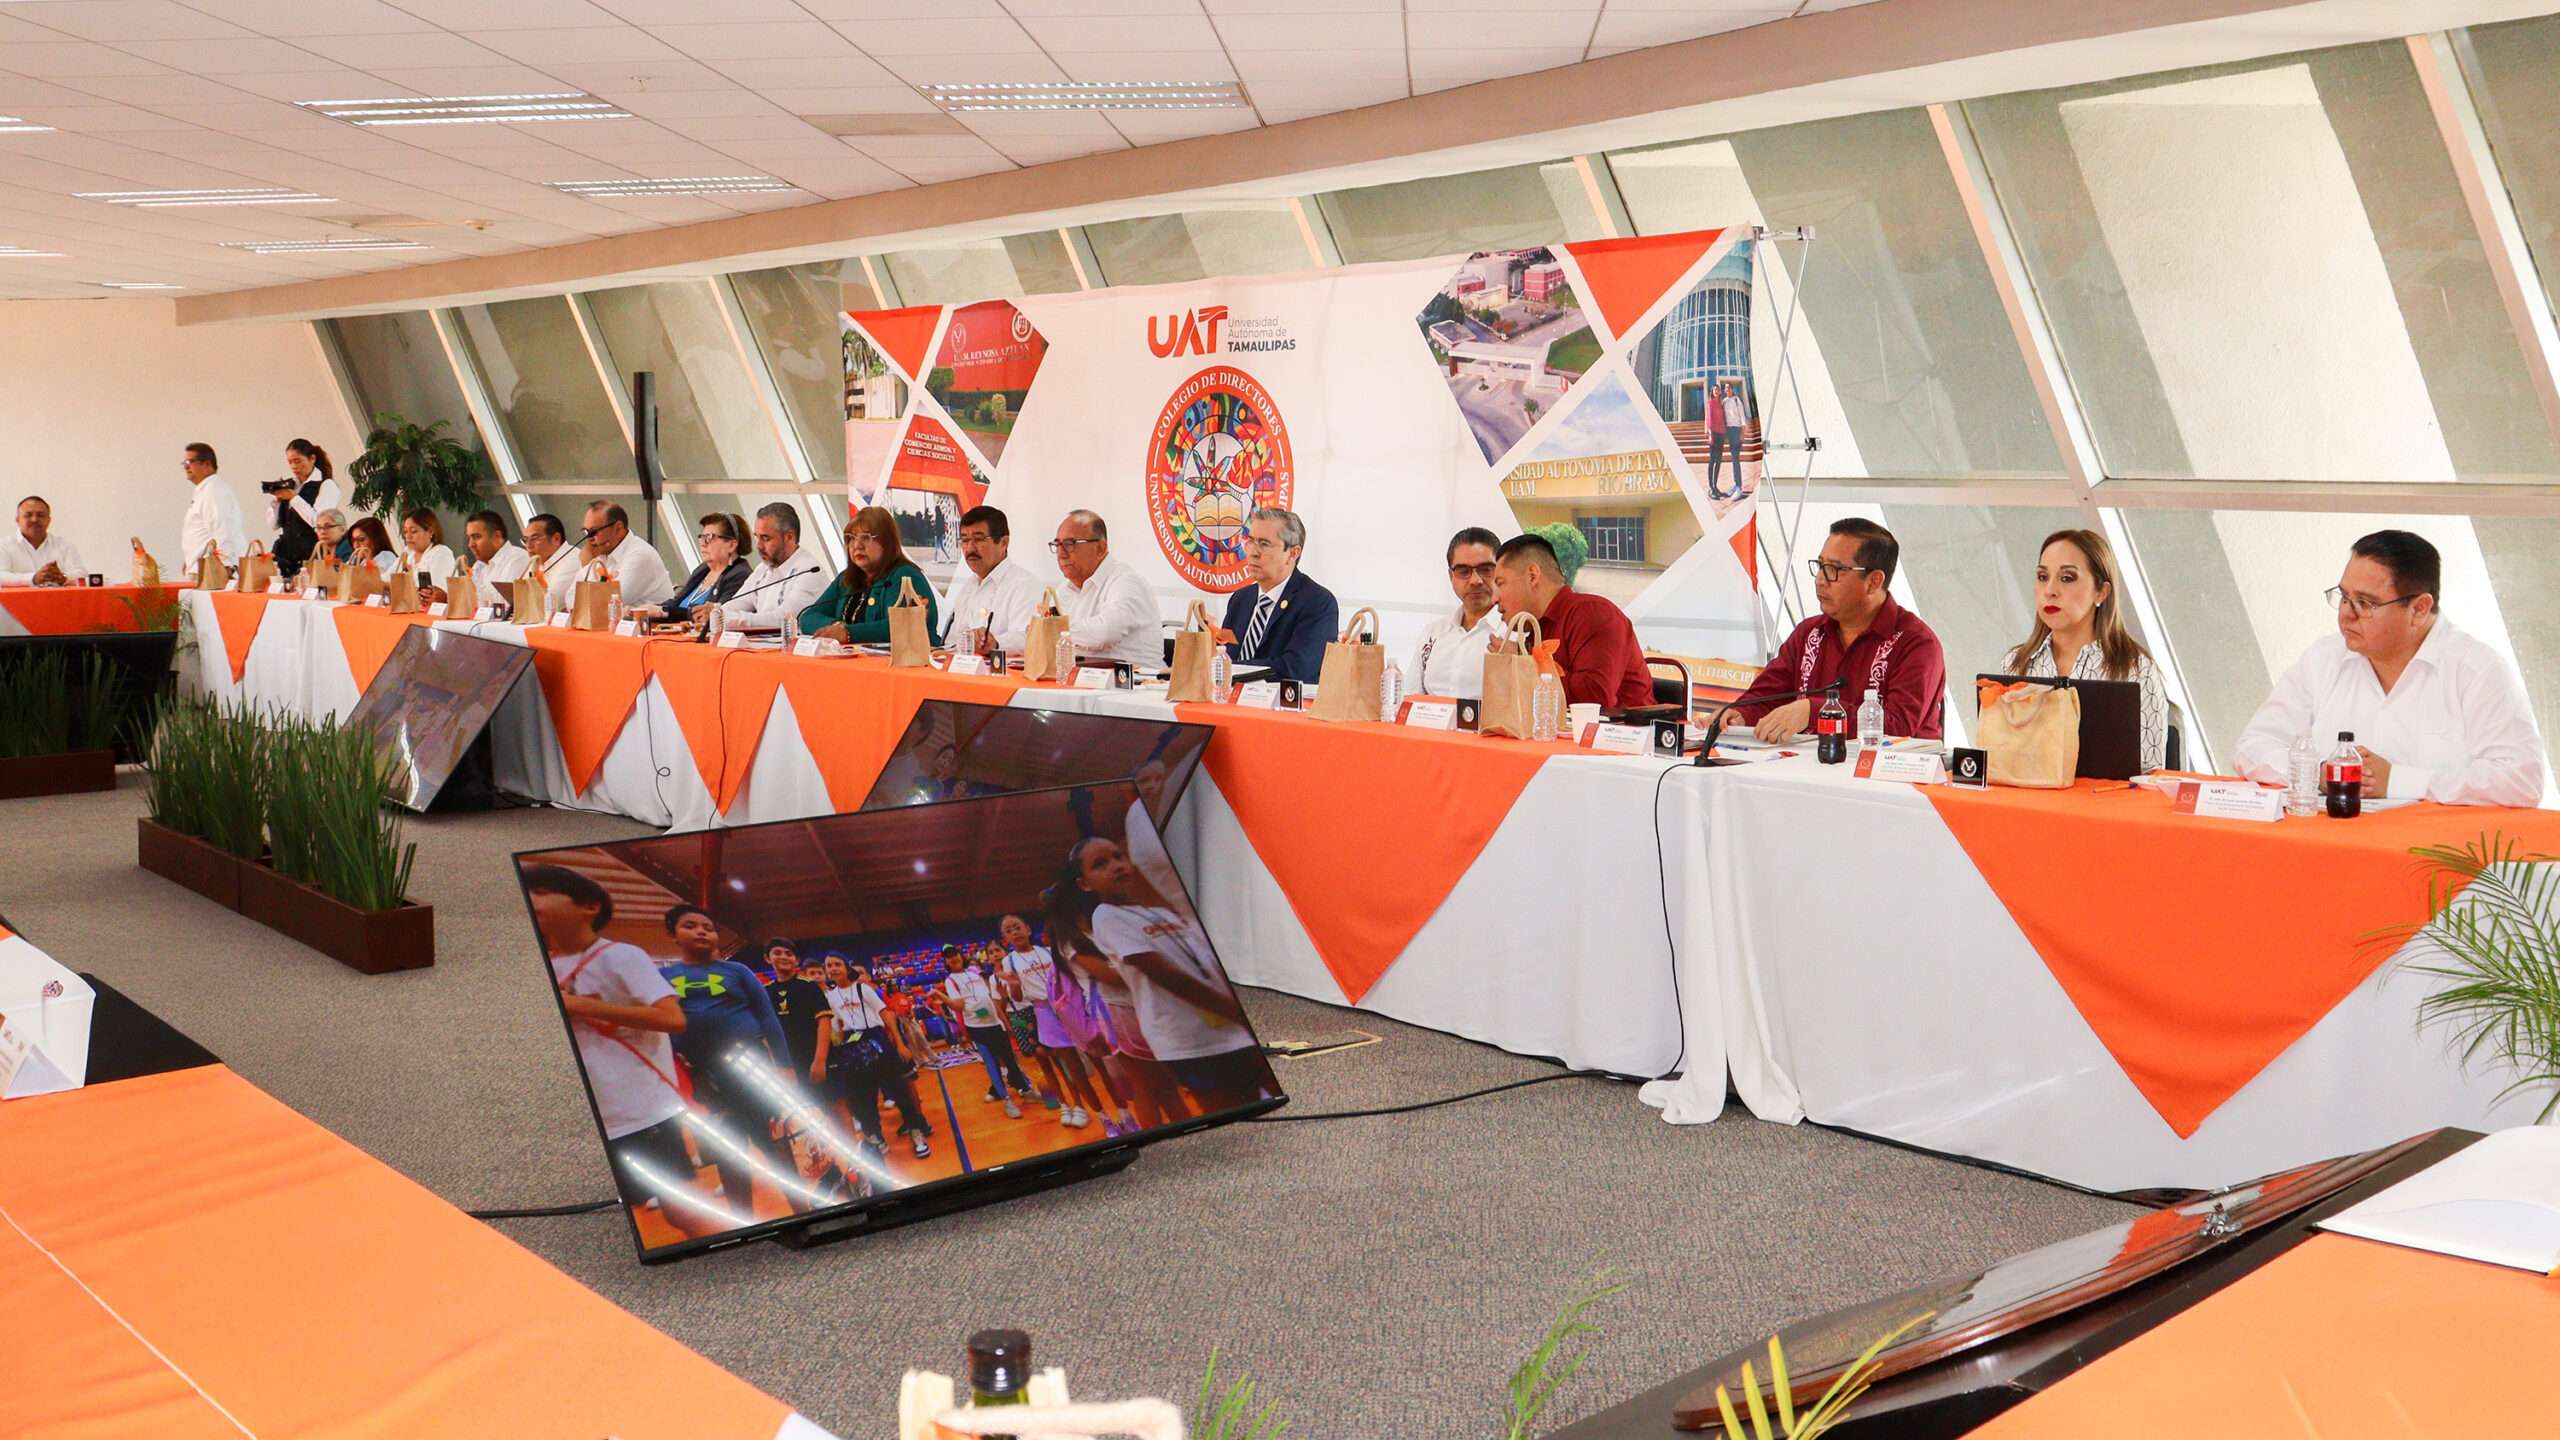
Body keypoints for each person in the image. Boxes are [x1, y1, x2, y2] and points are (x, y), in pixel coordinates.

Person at [2233, 530, 2546, 806]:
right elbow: (2251, 748)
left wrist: (2396, 780)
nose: (2346, 615)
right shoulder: (2323, 659)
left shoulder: (2476, 670)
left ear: (2419, 609)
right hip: (2330, 844)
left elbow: (2521, 780)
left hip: (2435, 851)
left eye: (2365, 603)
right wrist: (2320, 774)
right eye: (2344, 597)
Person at [523, 864, 728, 1240]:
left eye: (542, 892)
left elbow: (672, 1019)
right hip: (600, 1114)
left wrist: (580, 1005)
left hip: (641, 1113)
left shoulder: (621, 956)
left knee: (683, 1212)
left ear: (590, 906)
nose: (531, 900)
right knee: (645, 1209)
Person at [1072, 835, 1272, 1115]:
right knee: (1239, 1116)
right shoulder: (1105, 916)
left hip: (1229, 1025)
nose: (1115, 865)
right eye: (1100, 864)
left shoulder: (1157, 911)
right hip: (1189, 1039)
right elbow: (1166, 976)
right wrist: (1234, 1010)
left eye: (1119, 856)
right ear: (1084, 884)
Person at [1733, 518, 1946, 741]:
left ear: (1874, 581)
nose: (1820, 580)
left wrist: (1816, 712)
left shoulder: (1917, 645)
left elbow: (1898, 727)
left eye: (1834, 569)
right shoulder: (1809, 633)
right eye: (1820, 566)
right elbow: (1767, 697)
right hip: (1808, 761)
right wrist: (1741, 714)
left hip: (1890, 764)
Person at [656, 905, 803, 1219]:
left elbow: (768, 1018)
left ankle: (804, 1211)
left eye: (708, 927)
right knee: (728, 1152)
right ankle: (745, 1223)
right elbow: (658, 1027)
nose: (701, 931)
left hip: (753, 1067)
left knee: (777, 1143)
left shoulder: (738, 972)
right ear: (672, 935)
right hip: (703, 1078)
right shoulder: (662, 977)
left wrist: (785, 1066)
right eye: (690, 926)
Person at [2003, 528, 2167, 772]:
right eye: (2042, 577)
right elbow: (2002, 759)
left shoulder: (2135, 669)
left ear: (2101, 592)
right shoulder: (2016, 664)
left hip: (2107, 798)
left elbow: (2150, 774)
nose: (2050, 590)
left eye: (2067, 578)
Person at [1490, 533, 1653, 709]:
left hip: (1624, 726)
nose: (1494, 599)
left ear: (1532, 576)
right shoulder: (1536, 629)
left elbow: (1594, 697)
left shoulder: (1594, 614)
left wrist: (1524, 664)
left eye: (1500, 583)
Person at [995, 912, 1114, 1129]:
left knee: (1094, 1059)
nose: (1015, 932)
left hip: (1070, 1009)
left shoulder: (1049, 952)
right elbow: (1017, 998)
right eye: (1009, 930)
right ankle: (1082, 1110)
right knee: (1064, 1066)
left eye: (1017, 927)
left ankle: (1113, 1109)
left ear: (1028, 929)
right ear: (1006, 938)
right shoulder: (1008, 961)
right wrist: (1014, 986)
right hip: (1040, 1014)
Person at [810, 956, 934, 1163]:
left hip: (876, 1038)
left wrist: (899, 1043)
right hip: (852, 1043)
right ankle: (875, 1136)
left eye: (837, 964)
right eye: (829, 965)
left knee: (898, 1089)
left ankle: (915, 1130)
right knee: (863, 1096)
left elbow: (886, 1015)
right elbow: (837, 1026)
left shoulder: (863, 989)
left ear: (846, 967)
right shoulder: (830, 997)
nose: (833, 968)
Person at [1219, 507, 1339, 683]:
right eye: (1250, 541)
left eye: (1264, 544)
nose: (1253, 552)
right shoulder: (1241, 599)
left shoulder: (1318, 602)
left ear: (1293, 553)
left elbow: (1296, 669)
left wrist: (1230, 670)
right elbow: (1224, 654)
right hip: (1230, 696)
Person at [806, 505, 937, 645]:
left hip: (903, 657)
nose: (857, 545)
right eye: (851, 538)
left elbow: (901, 626)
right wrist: (837, 626)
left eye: (866, 538)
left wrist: (848, 633)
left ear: (887, 542)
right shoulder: (846, 578)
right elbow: (808, 617)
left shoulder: (904, 575)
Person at [1050, 509, 1160, 667]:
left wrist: (1054, 626)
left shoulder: (1126, 581)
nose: (1061, 553)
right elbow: (1043, 636)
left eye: (1069, 544)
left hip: (1135, 680)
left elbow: (1106, 632)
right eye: (1057, 545)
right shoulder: (1064, 589)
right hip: (1083, 677)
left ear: (1100, 548)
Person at [1409, 526, 1505, 698]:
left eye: (1485, 570)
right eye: (1463, 572)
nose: (1475, 581)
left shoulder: (1515, 634)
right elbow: (1411, 696)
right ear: (1450, 576)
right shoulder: (1433, 632)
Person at [939, 943, 1030, 1118]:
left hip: (995, 1023)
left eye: (955, 954)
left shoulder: (976, 975)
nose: (954, 958)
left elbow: (991, 1000)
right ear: (946, 962)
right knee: (992, 1063)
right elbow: (958, 1006)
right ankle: (1006, 1100)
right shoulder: (950, 981)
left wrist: (1004, 1021)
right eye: (949, 957)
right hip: (977, 1028)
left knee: (1010, 1059)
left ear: (961, 956)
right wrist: (939, 996)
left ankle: (1025, 1088)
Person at [717, 503, 834, 634]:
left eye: (765, 538)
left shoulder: (810, 571)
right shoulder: (762, 568)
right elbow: (734, 604)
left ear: (789, 537)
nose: (759, 546)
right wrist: (718, 615)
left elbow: (783, 619)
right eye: (757, 537)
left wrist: (728, 619)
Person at [943, 505, 1045, 655]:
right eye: (964, 540)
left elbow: (1030, 637)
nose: (969, 548)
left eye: (978, 539)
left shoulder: (1024, 585)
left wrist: (995, 643)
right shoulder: (968, 587)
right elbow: (951, 643)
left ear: (1004, 543)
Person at [642, 511, 750, 627]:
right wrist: (651, 609)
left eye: (709, 538)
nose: (703, 544)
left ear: (731, 545)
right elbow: (675, 602)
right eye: (702, 538)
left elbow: (713, 616)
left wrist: (664, 612)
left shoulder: (740, 575)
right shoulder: (703, 569)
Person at [570, 501, 675, 610]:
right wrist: (587, 567)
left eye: (593, 532)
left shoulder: (640, 554)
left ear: (618, 528)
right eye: (586, 531)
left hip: (653, 621)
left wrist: (586, 568)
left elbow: (611, 603)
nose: (589, 539)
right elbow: (570, 598)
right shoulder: (601, 552)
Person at [262, 439, 341, 580]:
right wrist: (277, 501)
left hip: (312, 554)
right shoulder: (291, 485)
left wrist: (294, 498)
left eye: (298, 461)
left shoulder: (327, 485)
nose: (294, 466)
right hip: (286, 555)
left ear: (312, 458)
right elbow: (274, 525)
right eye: (290, 462)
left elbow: (317, 521)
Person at [760, 939, 830, 1084]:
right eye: (777, 953)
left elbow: (824, 1022)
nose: (783, 957)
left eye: (788, 954)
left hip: (812, 1056)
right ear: (767, 958)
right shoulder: (765, 991)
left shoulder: (809, 986)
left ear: (797, 960)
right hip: (785, 1061)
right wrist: (774, 1062)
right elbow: (765, 1030)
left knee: (827, 1097)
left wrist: (820, 1061)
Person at [178, 442, 248, 569]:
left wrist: (225, 565)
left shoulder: (213, 491)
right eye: (184, 463)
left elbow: (223, 530)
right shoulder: (205, 490)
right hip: (202, 567)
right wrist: (189, 558)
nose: (186, 467)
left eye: (190, 462)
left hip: (214, 570)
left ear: (207, 464)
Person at [1, 495, 83, 587]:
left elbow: (81, 574)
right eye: (28, 515)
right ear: (18, 520)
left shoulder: (64, 545)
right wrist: (33, 578)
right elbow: (1, 576)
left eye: (40, 515)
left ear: (49, 520)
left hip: (56, 596)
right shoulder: (4, 546)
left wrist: (63, 577)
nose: (34, 519)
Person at [523, 512, 581, 612]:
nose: (528, 545)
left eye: (534, 539)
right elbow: (520, 595)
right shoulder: (537, 560)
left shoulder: (573, 559)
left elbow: (551, 603)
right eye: (525, 540)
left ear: (556, 539)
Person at [397, 508, 458, 582]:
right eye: (405, 532)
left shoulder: (441, 553)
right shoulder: (408, 553)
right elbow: (388, 577)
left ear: (430, 531)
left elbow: (435, 587)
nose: (408, 536)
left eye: (413, 531)